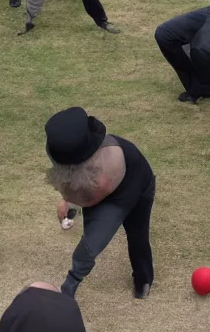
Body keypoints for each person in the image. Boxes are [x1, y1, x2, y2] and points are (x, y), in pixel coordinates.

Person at [45, 107, 155, 299]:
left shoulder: (109, 164)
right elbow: (73, 183)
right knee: (93, 236)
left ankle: (142, 279)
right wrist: (67, 200)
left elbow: (92, 199)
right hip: (96, 187)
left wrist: (73, 204)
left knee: (134, 232)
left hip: (133, 183)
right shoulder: (65, 151)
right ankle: (70, 288)